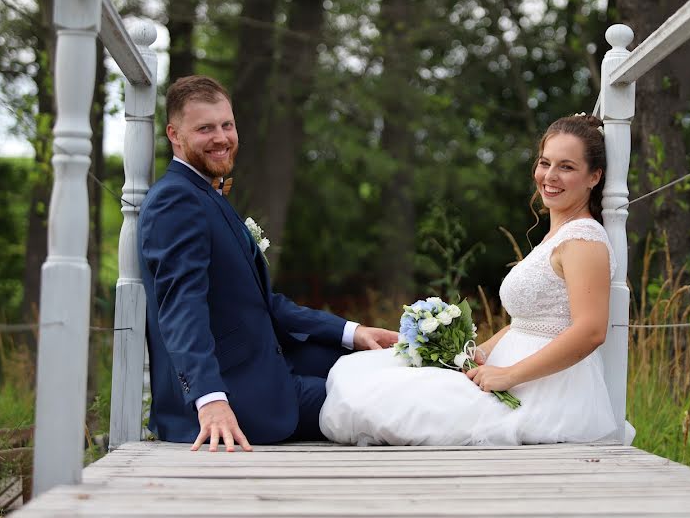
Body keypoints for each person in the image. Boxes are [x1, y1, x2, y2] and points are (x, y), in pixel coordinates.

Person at [319, 114, 635, 446]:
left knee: (392, 398)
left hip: (544, 388)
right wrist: (473, 354)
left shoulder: (584, 240)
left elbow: (591, 330)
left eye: (567, 167)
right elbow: (525, 324)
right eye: (545, 163)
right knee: (368, 371)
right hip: (506, 369)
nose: (550, 176)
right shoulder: (556, 237)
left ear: (594, 176)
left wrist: (508, 375)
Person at [138, 75, 397, 452]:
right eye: (205, 129)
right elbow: (181, 307)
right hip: (238, 394)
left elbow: (264, 304)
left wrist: (352, 331)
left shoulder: (204, 193)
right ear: (174, 135)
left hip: (269, 359)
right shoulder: (175, 201)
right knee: (384, 398)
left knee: (381, 364)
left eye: (227, 125)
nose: (221, 137)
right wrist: (210, 400)